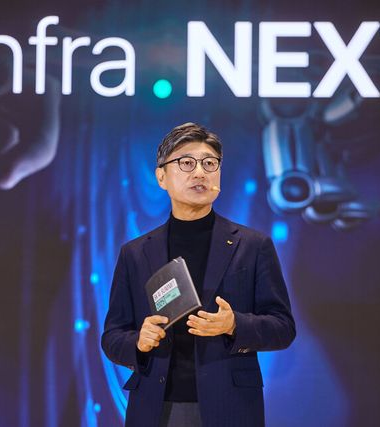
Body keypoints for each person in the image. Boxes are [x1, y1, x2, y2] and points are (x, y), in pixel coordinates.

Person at [101, 122, 296, 427]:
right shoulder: (135, 253)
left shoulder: (253, 245)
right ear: (161, 177)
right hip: (156, 407)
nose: (200, 173)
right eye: (186, 163)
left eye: (209, 163)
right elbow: (112, 336)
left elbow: (283, 327)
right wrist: (138, 341)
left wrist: (234, 324)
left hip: (230, 406)